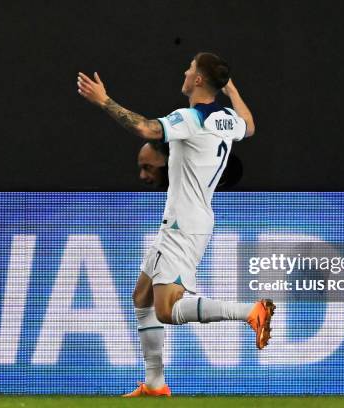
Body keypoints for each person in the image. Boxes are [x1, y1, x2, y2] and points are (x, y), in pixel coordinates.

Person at [77, 52, 274, 397]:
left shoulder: (191, 118)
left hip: (185, 224)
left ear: (198, 80)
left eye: (190, 68)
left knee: (167, 310)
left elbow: (144, 128)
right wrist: (232, 90)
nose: (185, 72)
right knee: (142, 298)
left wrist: (104, 100)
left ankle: (250, 312)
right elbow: (250, 124)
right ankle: (154, 384)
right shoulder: (226, 118)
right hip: (186, 221)